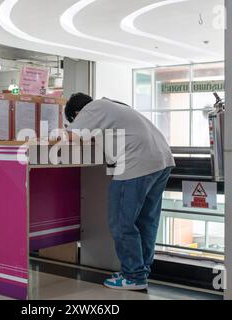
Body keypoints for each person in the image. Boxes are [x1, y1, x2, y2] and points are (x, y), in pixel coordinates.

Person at [65, 93, 175, 291]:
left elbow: (70, 138)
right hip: (162, 160)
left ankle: (133, 275)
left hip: (136, 163)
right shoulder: (116, 105)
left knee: (121, 222)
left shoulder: (93, 108)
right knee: (146, 221)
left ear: (77, 113)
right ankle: (140, 271)